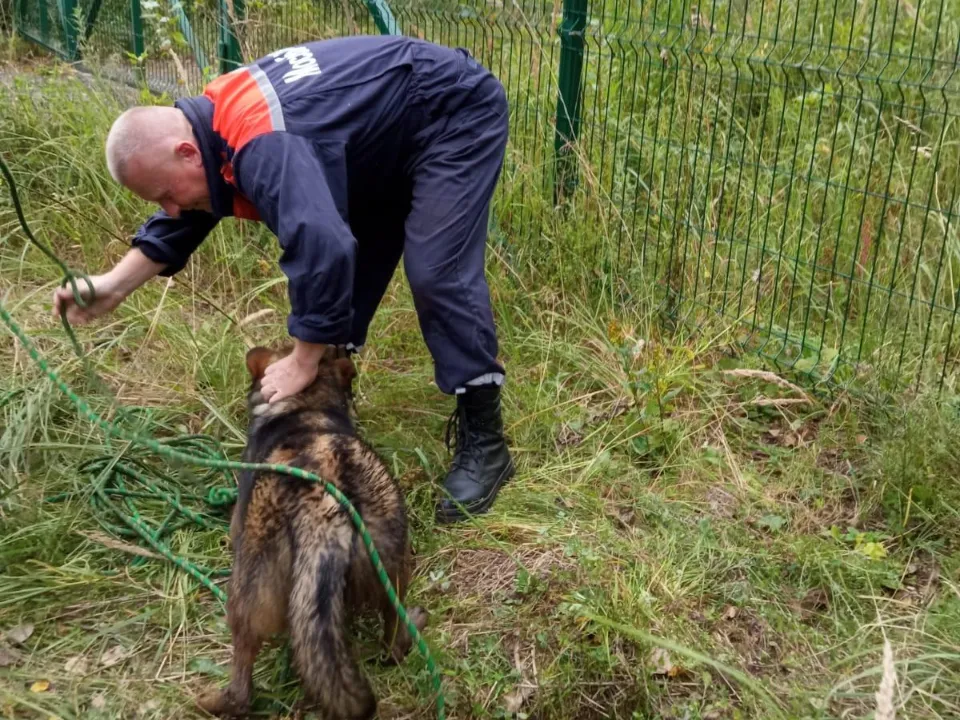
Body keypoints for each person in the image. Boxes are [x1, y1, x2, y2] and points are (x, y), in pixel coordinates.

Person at [52, 34, 515, 524]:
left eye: (165, 193)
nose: (169, 208)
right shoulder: (215, 124)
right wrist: (114, 284)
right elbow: (191, 211)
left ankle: (485, 440)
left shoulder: (261, 142)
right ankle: (326, 437)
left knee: (437, 272)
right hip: (379, 137)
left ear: (187, 151)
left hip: (449, 111)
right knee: (349, 266)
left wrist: (302, 357)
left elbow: (319, 242)